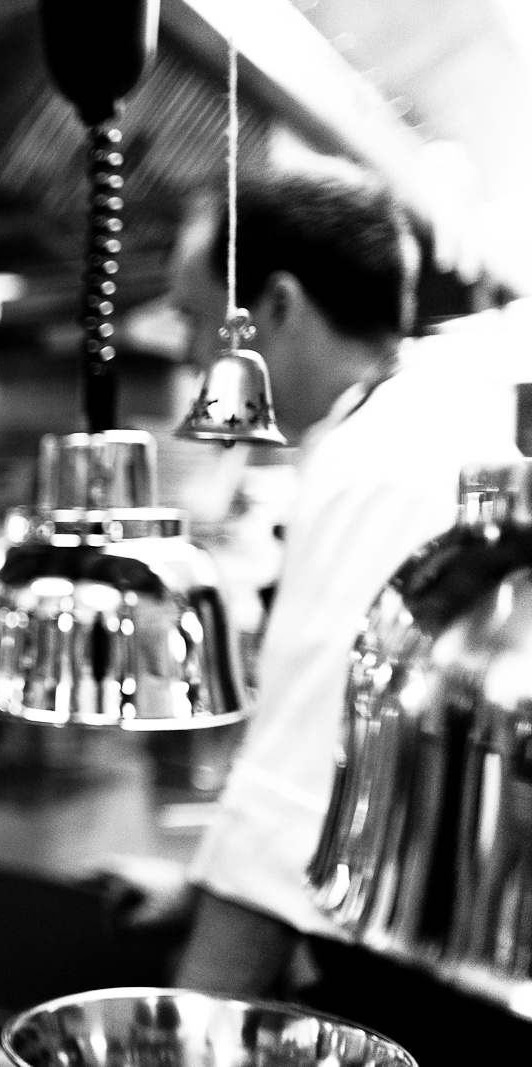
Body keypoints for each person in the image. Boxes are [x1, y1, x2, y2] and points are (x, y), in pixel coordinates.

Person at [165, 164, 520, 1006]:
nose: (184, 352)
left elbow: (295, 793)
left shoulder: (378, 463)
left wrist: (182, 1038)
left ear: (277, 306)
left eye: (192, 314)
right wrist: (192, 889)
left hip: (441, 988)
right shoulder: (423, 418)